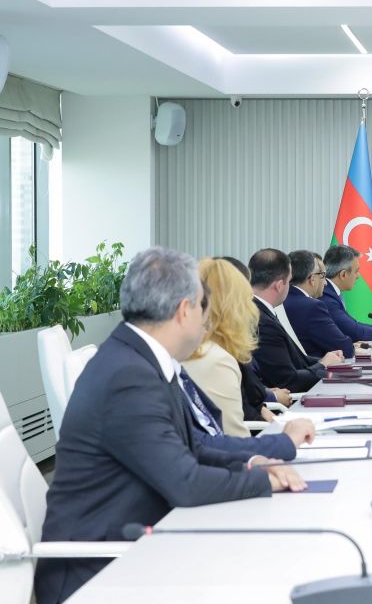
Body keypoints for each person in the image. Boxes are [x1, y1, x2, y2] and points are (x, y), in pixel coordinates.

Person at [35, 247, 307, 604]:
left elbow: (195, 446)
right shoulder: (128, 375)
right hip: (99, 571)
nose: (207, 317)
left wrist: (261, 460)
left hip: (139, 544)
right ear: (183, 310)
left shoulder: (138, 358)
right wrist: (263, 480)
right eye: (202, 305)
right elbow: (185, 483)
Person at [249, 248, 341, 391]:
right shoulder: (263, 323)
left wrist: (325, 360)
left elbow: (296, 360)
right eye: (289, 281)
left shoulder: (260, 311)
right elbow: (289, 381)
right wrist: (323, 365)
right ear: (279, 286)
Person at [216, 255, 292, 408]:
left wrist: (266, 392)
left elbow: (248, 387)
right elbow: (242, 403)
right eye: (245, 289)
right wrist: (270, 397)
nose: (251, 297)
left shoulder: (231, 336)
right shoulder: (221, 346)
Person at [319, 244, 372, 341]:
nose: (358, 276)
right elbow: (354, 331)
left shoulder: (331, 292)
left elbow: (354, 325)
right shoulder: (326, 298)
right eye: (356, 271)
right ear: (343, 274)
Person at [283, 250, 355, 358]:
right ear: (312, 279)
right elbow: (345, 348)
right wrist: (351, 345)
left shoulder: (280, 301)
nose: (325, 282)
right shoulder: (312, 307)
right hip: (314, 367)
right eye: (323, 275)